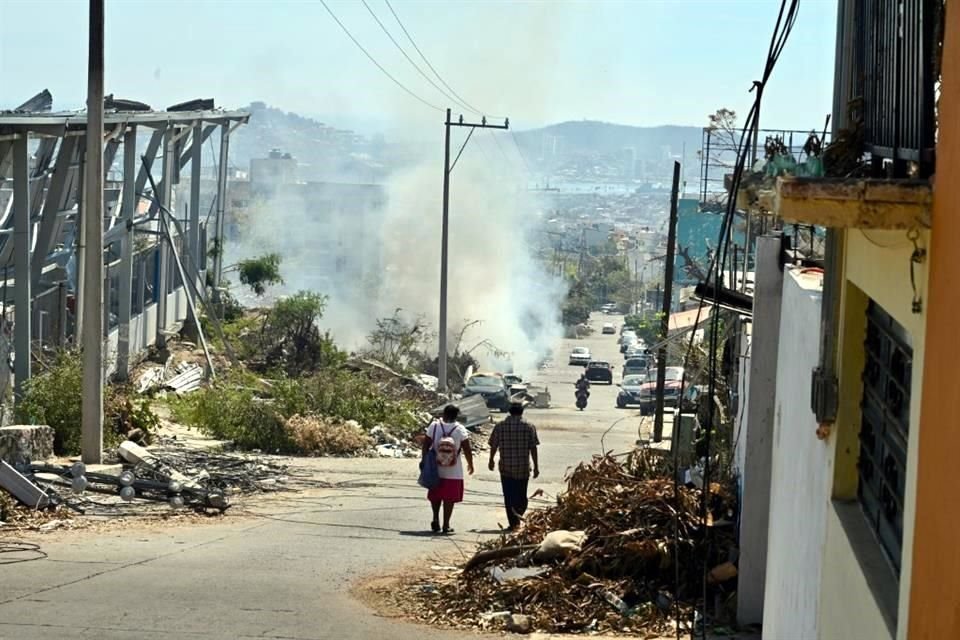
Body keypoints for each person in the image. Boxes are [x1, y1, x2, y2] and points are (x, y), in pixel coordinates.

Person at [488, 402, 540, 531]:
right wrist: (536, 466)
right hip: (522, 467)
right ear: (521, 412)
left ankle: (513, 522)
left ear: (509, 412)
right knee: (521, 495)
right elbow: (533, 447)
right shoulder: (529, 427)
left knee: (509, 496)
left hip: (506, 467)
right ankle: (518, 517)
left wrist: (491, 460)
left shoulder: (500, 426)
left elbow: (493, 445)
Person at [422, 404, 473, 535]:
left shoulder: (434, 426)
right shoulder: (460, 429)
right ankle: (446, 524)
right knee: (449, 497)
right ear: (456, 416)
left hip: (435, 466)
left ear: (444, 414)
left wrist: (424, 460)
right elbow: (467, 448)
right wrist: (470, 464)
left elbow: (426, 444)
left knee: (435, 494)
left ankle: (435, 518)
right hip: (453, 469)